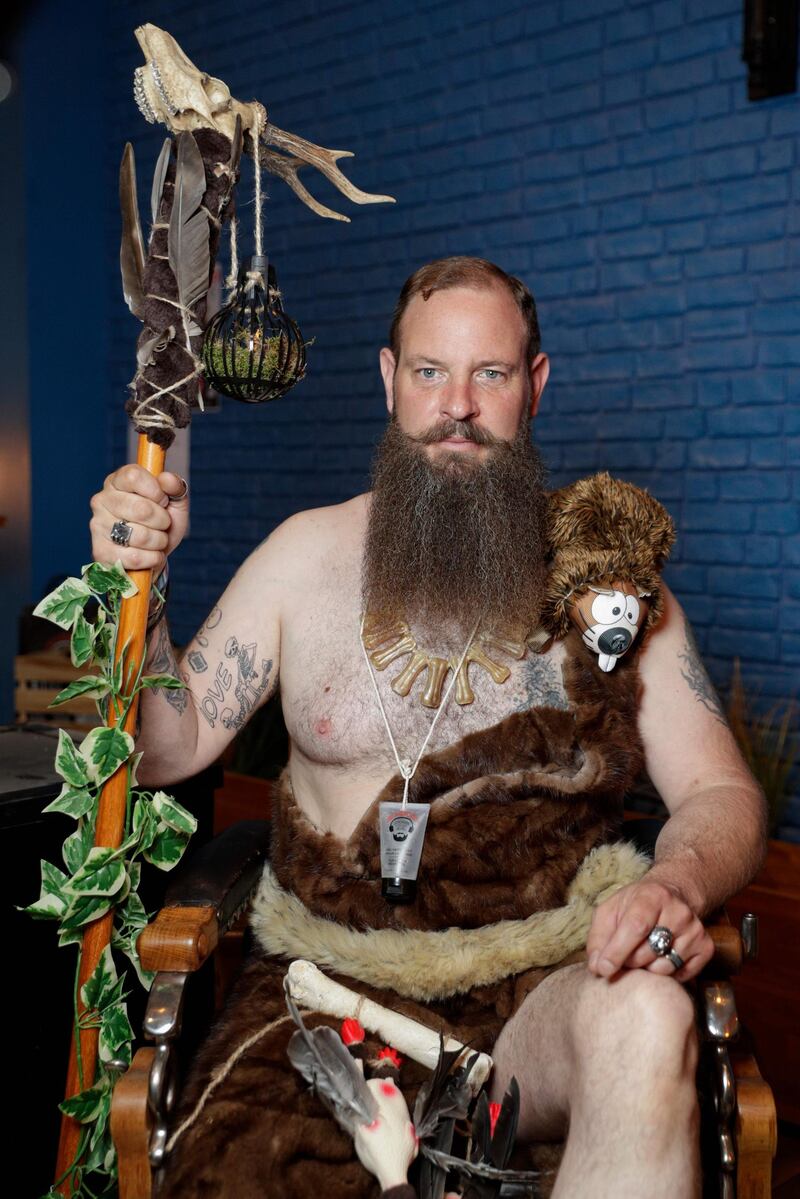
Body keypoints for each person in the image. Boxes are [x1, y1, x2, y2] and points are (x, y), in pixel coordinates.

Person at [89, 257, 766, 1198]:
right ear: (387, 378)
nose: (457, 405)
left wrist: (680, 881)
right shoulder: (302, 557)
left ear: (533, 386)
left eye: (489, 374)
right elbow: (168, 745)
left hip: (539, 983)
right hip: (328, 990)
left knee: (648, 1018)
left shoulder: (607, 586)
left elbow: (722, 792)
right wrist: (141, 591)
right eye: (428, 372)